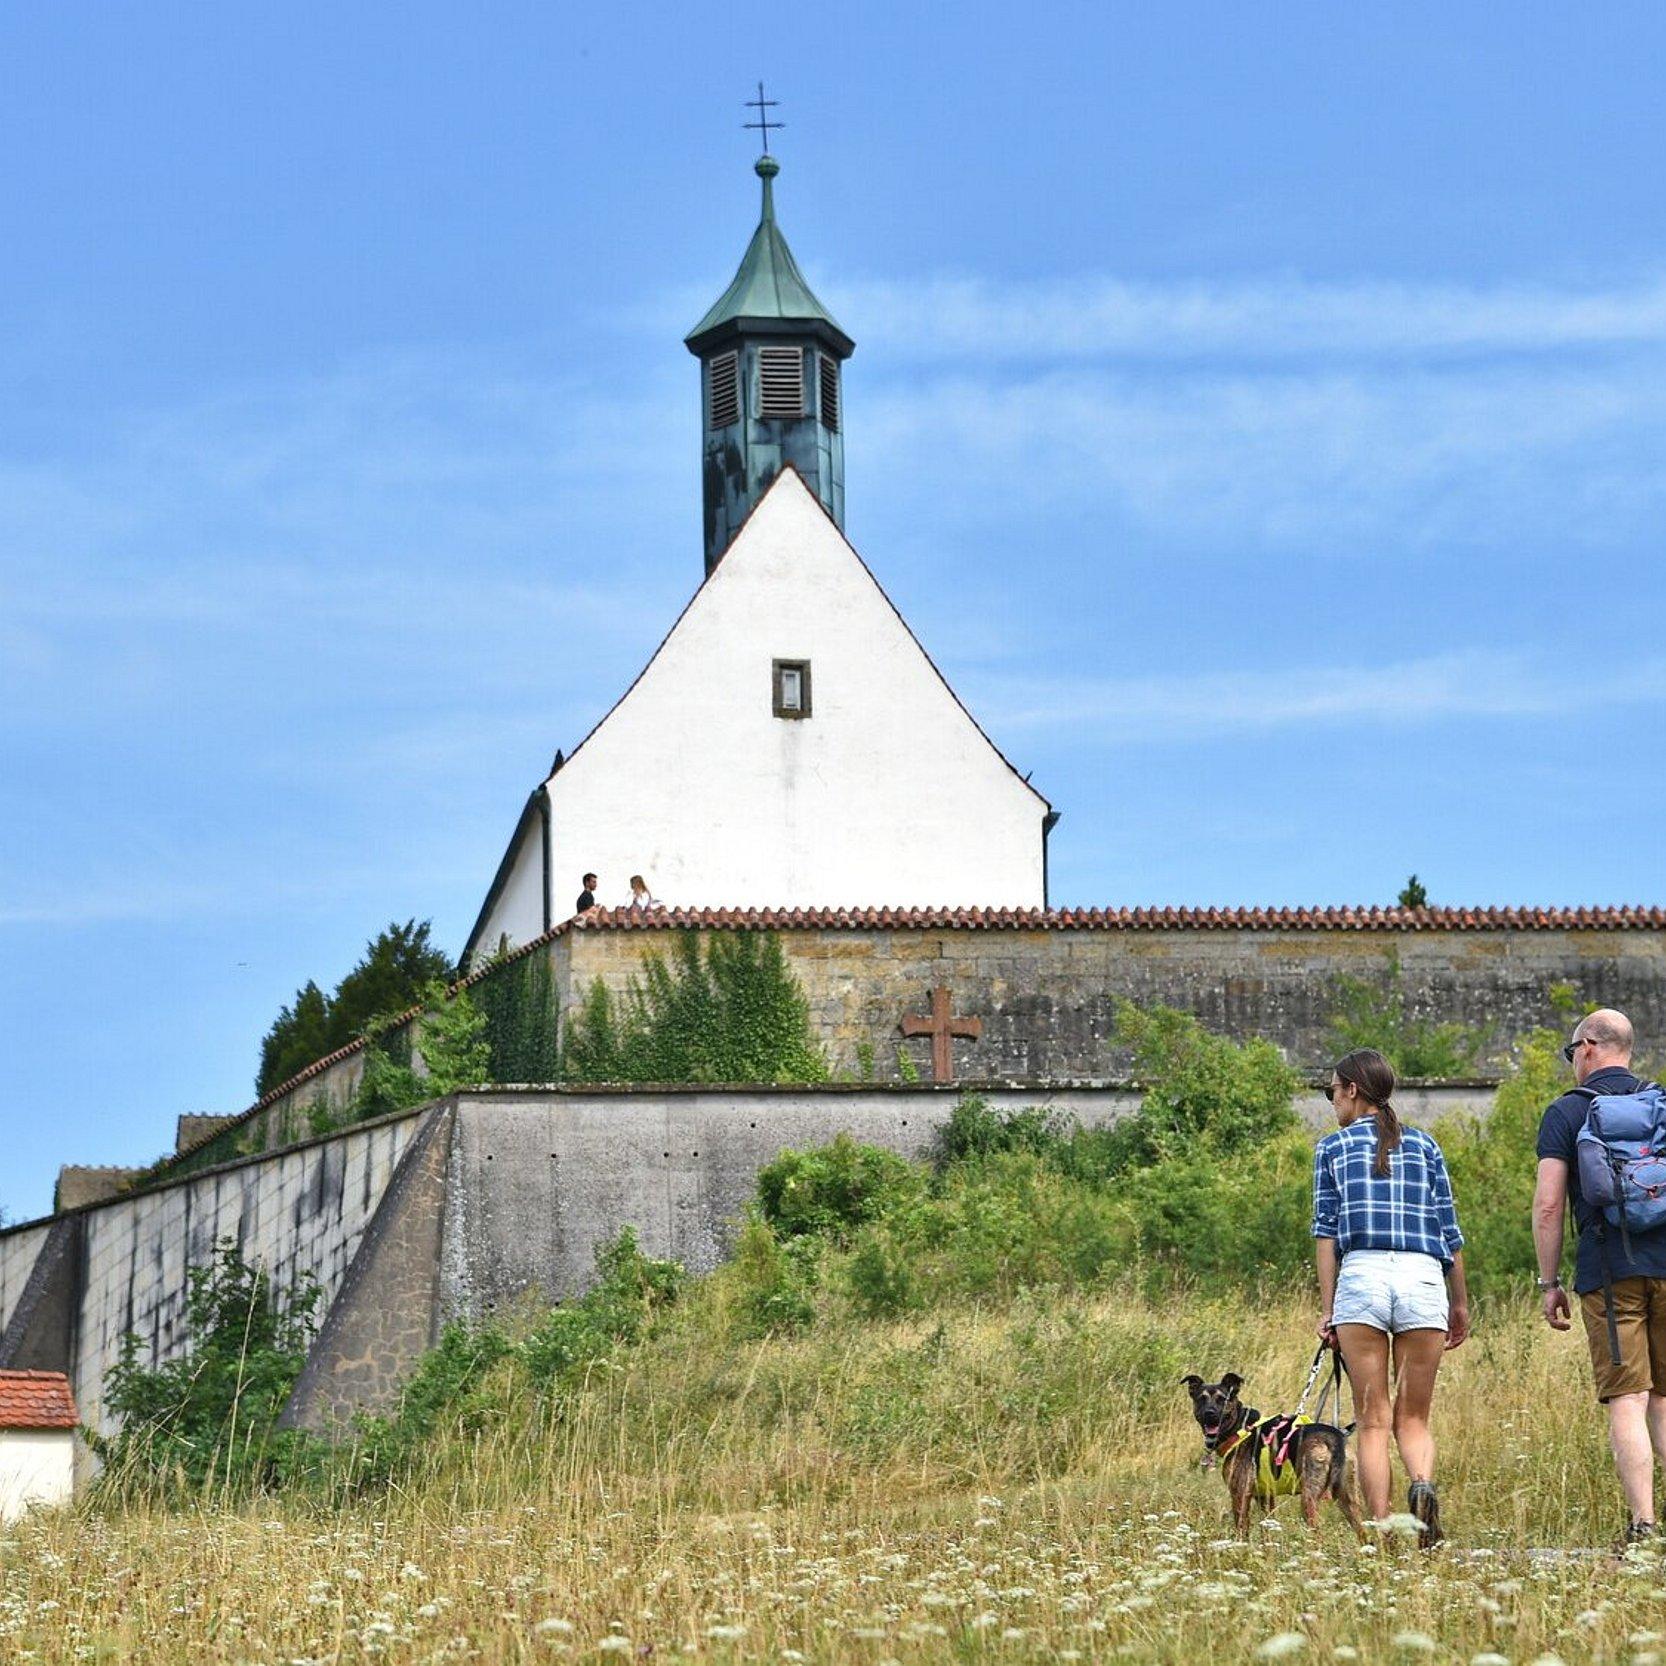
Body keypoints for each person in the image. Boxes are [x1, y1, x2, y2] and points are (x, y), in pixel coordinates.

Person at [1314, 1047, 1470, 1544]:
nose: (1332, 1102)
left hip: (1362, 1277)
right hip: (1424, 1278)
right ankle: (1421, 1487)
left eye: (1332, 1091)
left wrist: (1329, 1310)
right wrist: (1459, 1303)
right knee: (1414, 1418)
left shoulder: (1331, 1150)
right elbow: (1450, 1231)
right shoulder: (1426, 1146)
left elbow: (1326, 1237)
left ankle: (1383, 1535)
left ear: (1353, 1091)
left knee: (1374, 1422)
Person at [1533, 1008, 1666, 1549]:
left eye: (1572, 1051)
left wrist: (1549, 1283)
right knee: (1663, 1398)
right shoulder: (1661, 1104)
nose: (1572, 1061)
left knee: (1629, 1399)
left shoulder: (1566, 1113)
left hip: (1610, 1272)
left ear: (1589, 1046)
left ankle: (1642, 1525)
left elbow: (1548, 1205)